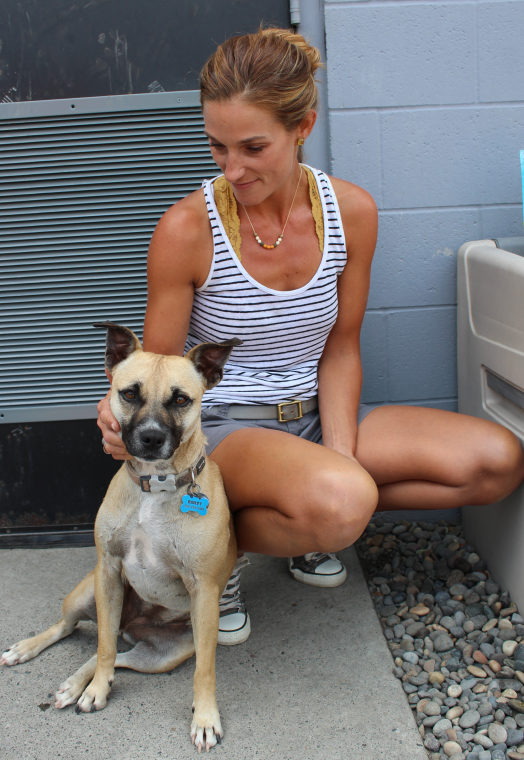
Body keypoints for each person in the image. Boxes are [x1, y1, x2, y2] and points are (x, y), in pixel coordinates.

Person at [98, 27, 524, 646]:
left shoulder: (350, 211)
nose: (233, 167)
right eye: (218, 147)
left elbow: (343, 346)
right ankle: (218, 555)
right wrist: (115, 413)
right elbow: (158, 370)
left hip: (317, 415)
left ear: (303, 127)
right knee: (343, 505)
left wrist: (339, 455)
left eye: (253, 147)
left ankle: (300, 516)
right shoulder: (186, 229)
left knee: (495, 463)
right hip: (226, 428)